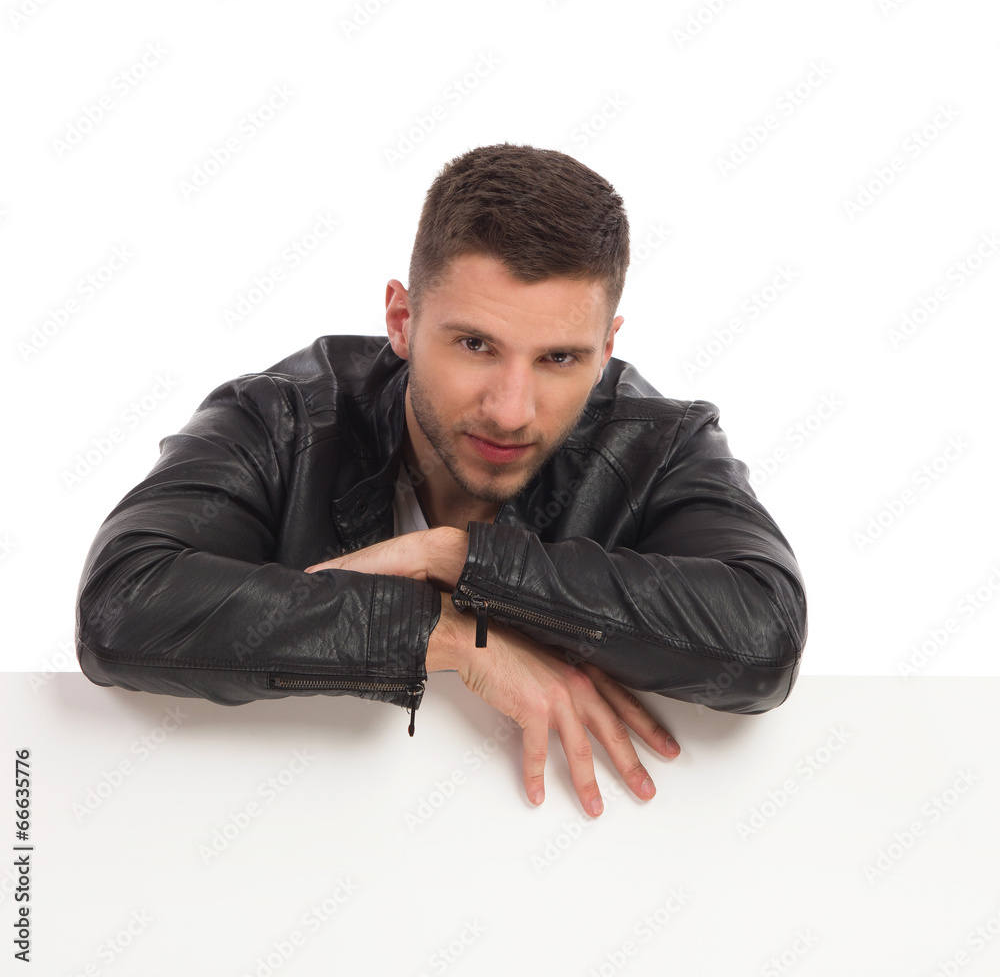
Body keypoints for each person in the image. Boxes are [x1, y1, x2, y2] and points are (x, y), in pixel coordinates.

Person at [75, 143, 807, 819]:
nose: (511, 410)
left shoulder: (659, 444)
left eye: (559, 359)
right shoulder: (283, 419)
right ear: (402, 319)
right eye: (476, 344)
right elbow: (122, 604)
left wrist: (459, 559)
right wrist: (447, 633)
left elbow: (764, 638)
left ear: (607, 347)